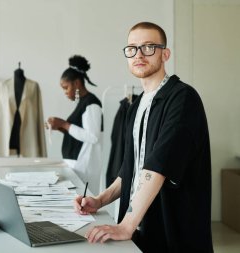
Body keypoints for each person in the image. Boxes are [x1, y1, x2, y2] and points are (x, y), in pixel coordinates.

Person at [74, 22, 213, 252]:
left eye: (149, 47)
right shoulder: (136, 105)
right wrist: (100, 200)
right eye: (132, 48)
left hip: (174, 236)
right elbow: (130, 169)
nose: (139, 54)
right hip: (139, 233)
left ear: (165, 54)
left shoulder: (183, 99)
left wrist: (126, 225)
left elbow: (158, 166)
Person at [47, 55, 103, 195]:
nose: (65, 92)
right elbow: (79, 133)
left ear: (77, 83)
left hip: (84, 166)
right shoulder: (82, 103)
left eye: (66, 87)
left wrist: (64, 124)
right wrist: (59, 126)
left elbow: (92, 136)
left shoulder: (92, 104)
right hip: (76, 164)